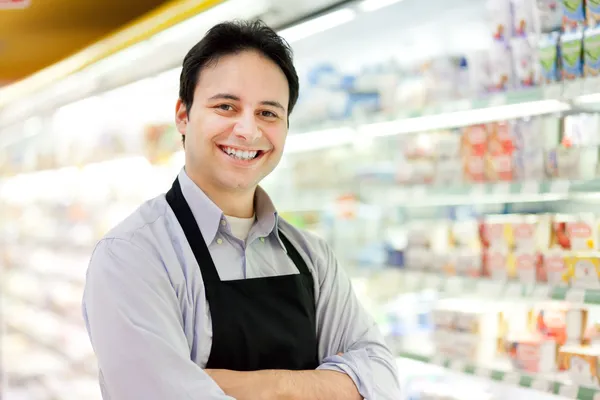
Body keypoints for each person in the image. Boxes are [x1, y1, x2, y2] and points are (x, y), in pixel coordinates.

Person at [82, 19, 401, 400]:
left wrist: (268, 384)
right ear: (183, 116)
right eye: (226, 106)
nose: (247, 131)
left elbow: (382, 379)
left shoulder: (312, 258)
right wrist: (327, 384)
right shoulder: (132, 256)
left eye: (268, 113)